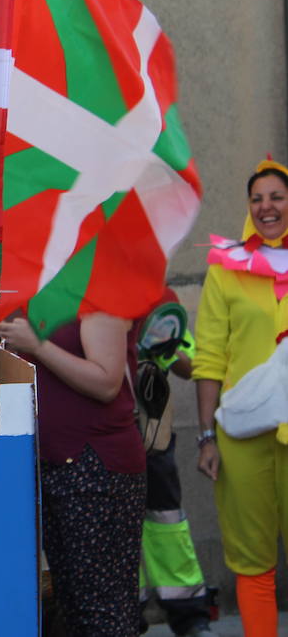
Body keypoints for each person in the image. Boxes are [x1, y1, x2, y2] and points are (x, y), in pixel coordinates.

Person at [0, 311, 145, 636]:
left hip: (92, 463)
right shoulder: (45, 285)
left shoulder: (100, 288)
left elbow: (107, 383)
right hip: (55, 460)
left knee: (102, 610)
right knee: (73, 605)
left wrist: (37, 345)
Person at [193, 158, 288, 637]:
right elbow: (208, 356)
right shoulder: (227, 267)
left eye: (276, 196)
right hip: (242, 436)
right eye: (258, 198)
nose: (266, 206)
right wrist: (206, 436)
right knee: (252, 560)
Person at [135, 292, 215, 636]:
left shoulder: (158, 296)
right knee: (113, 527)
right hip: (98, 433)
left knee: (167, 520)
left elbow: (192, 366)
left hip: (153, 434)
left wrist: (163, 347)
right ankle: (125, 615)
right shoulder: (78, 289)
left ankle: (188, 615)